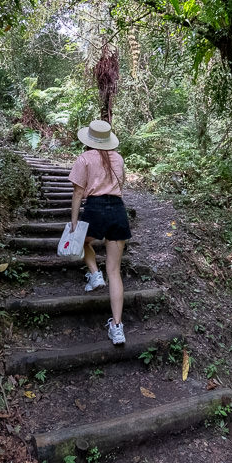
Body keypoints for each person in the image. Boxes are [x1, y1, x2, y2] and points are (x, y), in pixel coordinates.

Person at [69, 120, 130, 346]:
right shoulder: (119, 158)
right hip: (117, 210)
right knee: (114, 271)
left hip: (94, 208)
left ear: (89, 139)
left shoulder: (84, 159)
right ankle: (117, 327)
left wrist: (74, 223)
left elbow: (78, 193)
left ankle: (94, 274)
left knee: (81, 242)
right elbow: (120, 184)